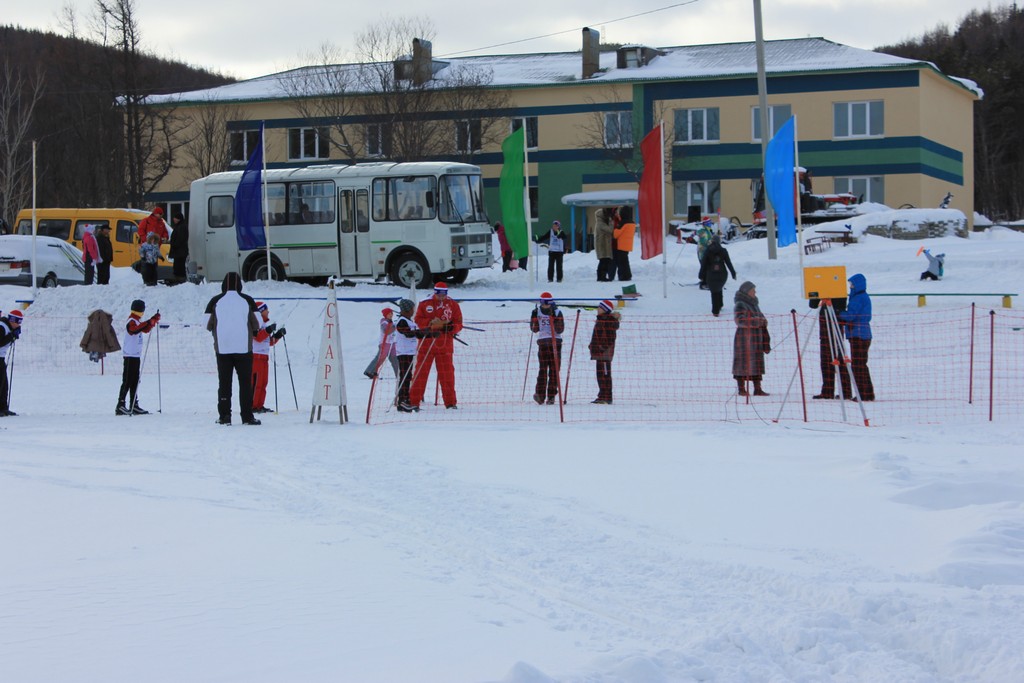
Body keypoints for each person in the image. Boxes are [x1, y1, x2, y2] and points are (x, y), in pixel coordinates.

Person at [205, 271, 261, 425]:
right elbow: (258, 323)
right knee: (245, 383)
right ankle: (247, 416)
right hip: (244, 348)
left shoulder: (215, 301)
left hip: (223, 348)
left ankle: (225, 416)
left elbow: (206, 323)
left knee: (224, 383)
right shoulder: (247, 300)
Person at [409, 282, 463, 410]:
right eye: (439, 295)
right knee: (420, 374)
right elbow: (418, 320)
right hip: (426, 345)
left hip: (445, 346)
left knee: (447, 375)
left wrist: (447, 326)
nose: (441, 297)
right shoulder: (424, 303)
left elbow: (459, 324)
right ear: (435, 292)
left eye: (444, 295)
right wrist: (430, 323)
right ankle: (413, 402)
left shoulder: (453, 305)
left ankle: (450, 403)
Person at [115, 300, 160, 416]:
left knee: (135, 380)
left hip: (135, 355)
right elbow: (133, 330)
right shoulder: (131, 321)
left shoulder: (137, 321)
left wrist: (152, 321)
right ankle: (120, 405)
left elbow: (144, 329)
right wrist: (148, 322)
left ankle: (134, 404)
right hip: (129, 355)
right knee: (127, 380)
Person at [394, 298, 438, 413]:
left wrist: (430, 332)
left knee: (408, 376)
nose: (413, 311)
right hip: (403, 352)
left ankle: (405, 400)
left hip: (409, 352)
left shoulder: (409, 321)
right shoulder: (402, 321)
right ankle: (402, 401)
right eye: (412, 309)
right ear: (407, 310)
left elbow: (417, 333)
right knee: (405, 376)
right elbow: (408, 334)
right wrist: (425, 333)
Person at [838, 273, 875, 401]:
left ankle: (863, 394)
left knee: (858, 366)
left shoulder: (858, 298)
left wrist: (839, 314)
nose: (850, 286)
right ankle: (867, 393)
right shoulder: (861, 297)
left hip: (859, 335)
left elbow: (851, 315)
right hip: (861, 334)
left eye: (852, 284)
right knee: (861, 365)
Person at [732, 281, 770, 397]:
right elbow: (740, 320)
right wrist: (757, 321)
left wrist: (763, 321)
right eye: (753, 290)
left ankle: (757, 388)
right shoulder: (740, 304)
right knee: (742, 363)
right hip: (744, 340)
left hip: (756, 339)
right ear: (747, 291)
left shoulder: (754, 304)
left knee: (757, 363)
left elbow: (761, 317)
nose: (755, 292)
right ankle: (741, 389)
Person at [809, 296, 851, 399]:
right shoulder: (821, 288)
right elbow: (813, 304)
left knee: (839, 359)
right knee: (826, 361)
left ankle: (845, 391)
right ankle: (828, 390)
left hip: (835, 326)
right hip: (825, 329)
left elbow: (841, 305)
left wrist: (829, 300)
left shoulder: (837, 289)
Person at [529, 292, 565, 404]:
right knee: (543, 369)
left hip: (555, 343)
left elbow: (560, 329)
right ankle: (540, 395)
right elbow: (534, 329)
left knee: (554, 370)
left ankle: (551, 395)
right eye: (543, 303)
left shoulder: (557, 312)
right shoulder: (536, 312)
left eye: (547, 304)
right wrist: (534, 319)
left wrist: (554, 318)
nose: (545, 306)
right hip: (543, 343)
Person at [251, 301, 284, 414]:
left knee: (264, 382)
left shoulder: (264, 325)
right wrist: (268, 330)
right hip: (255, 357)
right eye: (266, 310)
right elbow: (258, 337)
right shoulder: (254, 324)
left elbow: (267, 342)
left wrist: (278, 335)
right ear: (260, 311)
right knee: (256, 383)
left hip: (264, 357)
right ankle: (253, 405)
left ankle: (260, 405)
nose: (268, 311)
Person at [589, 299, 620, 404]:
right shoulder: (600, 320)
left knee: (605, 374)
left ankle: (607, 396)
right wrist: (592, 346)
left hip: (604, 353)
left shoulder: (608, 321)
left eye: (600, 307)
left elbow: (610, 338)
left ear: (605, 309)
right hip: (599, 352)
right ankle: (602, 395)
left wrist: (602, 347)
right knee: (600, 374)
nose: (598, 309)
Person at [698, 234, 736, 316]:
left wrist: (701, 275)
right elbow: (728, 263)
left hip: (711, 274)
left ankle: (715, 311)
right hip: (722, 274)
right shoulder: (723, 250)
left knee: (714, 291)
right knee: (719, 287)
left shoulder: (708, 251)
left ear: (712, 241)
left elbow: (703, 264)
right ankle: (720, 304)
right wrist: (733, 273)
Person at [0, 309, 24, 417]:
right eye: (18, 322)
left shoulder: (8, 327)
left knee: (4, 385)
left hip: (1, 358)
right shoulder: (2, 327)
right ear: (12, 320)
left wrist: (13, 337)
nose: (19, 324)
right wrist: (12, 336)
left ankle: (3, 408)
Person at [364, 307, 398, 380]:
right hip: (385, 343)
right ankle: (370, 371)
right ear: (385, 315)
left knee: (394, 359)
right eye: (389, 314)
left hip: (393, 343)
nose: (391, 315)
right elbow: (386, 332)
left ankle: (398, 374)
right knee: (380, 358)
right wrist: (395, 327)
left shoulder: (392, 322)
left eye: (392, 313)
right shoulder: (384, 322)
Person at [612, 205, 635, 281]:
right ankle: (627, 275)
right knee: (625, 261)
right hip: (628, 245)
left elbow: (615, 234)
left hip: (621, 245)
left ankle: (624, 276)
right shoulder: (631, 222)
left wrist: (615, 228)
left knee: (622, 263)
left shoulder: (623, 223)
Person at [594, 207, 616, 282]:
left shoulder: (602, 222)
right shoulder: (600, 223)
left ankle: (602, 276)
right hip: (602, 245)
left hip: (604, 245)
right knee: (603, 261)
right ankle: (601, 276)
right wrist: (611, 221)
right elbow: (609, 230)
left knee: (605, 260)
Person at [168, 211, 189, 281]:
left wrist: (174, 245)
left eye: (175, 218)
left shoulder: (181, 227)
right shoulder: (180, 226)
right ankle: (179, 280)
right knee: (178, 266)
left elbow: (180, 239)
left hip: (180, 252)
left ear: (179, 219)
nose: (174, 219)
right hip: (180, 251)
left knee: (179, 267)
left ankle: (180, 280)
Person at [696, 219, 716, 289]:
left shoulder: (708, 231)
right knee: (705, 267)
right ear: (705, 224)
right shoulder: (703, 232)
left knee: (708, 267)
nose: (710, 224)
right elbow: (705, 242)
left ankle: (706, 281)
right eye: (708, 223)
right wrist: (713, 241)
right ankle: (704, 283)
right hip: (703, 253)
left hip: (708, 253)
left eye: (710, 223)